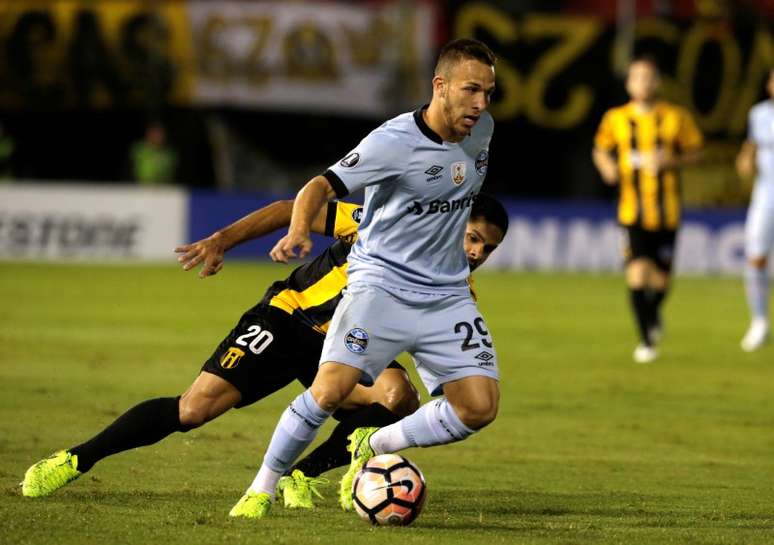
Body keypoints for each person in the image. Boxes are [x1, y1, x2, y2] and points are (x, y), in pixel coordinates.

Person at [21, 192, 508, 509]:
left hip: (342, 350)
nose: (475, 254)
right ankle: (75, 459)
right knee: (192, 410)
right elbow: (287, 208)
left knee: (398, 398)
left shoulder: (454, 288)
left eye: (487, 249)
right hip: (286, 319)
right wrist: (222, 239)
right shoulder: (381, 221)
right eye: (472, 238)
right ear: (453, 223)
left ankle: (302, 474)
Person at [229, 38, 499, 519]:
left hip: (446, 294)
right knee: (329, 391)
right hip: (381, 286)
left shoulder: (482, 130)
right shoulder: (391, 142)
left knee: (479, 407)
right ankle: (261, 488)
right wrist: (297, 228)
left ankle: (373, 443)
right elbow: (318, 186)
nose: (481, 104)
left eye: (489, 93)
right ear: (440, 86)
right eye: (471, 90)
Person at [592, 55, 703, 364]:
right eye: (637, 77)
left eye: (649, 77)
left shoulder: (676, 118)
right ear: (629, 83)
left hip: (667, 212)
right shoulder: (615, 118)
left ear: (657, 83)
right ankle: (646, 342)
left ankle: (652, 317)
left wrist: (674, 161)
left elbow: (696, 153)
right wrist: (607, 167)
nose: (643, 83)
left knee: (661, 282)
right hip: (632, 212)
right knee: (638, 274)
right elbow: (600, 149)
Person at [736, 68, 774, 352]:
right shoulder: (759, 114)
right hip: (766, 195)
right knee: (756, 256)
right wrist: (745, 161)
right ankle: (759, 321)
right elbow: (749, 149)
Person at [130, 120, 177, 185]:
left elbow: (170, 170)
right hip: (142, 185)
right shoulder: (139, 149)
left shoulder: (170, 153)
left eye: (159, 133)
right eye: (154, 133)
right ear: (148, 133)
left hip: (164, 186)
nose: (157, 136)